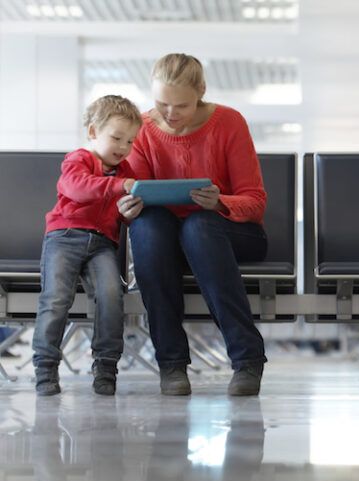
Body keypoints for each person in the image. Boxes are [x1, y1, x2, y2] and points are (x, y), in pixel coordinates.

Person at [120, 53, 268, 397]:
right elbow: (134, 194)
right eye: (161, 104)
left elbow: (256, 202)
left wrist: (219, 202)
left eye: (181, 106)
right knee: (146, 225)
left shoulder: (229, 123)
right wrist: (127, 208)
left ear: (201, 91)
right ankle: (171, 365)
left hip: (230, 232)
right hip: (169, 240)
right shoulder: (142, 129)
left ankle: (248, 360)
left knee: (199, 226)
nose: (170, 115)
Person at [33, 95, 142, 396]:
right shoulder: (79, 159)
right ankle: (45, 368)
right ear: (94, 132)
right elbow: (77, 188)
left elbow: (126, 212)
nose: (123, 147)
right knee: (55, 300)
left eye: (130, 141)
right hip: (64, 237)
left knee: (110, 297)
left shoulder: (127, 172)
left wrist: (132, 211)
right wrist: (120, 187)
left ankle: (106, 367)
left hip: (103, 244)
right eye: (116, 138)